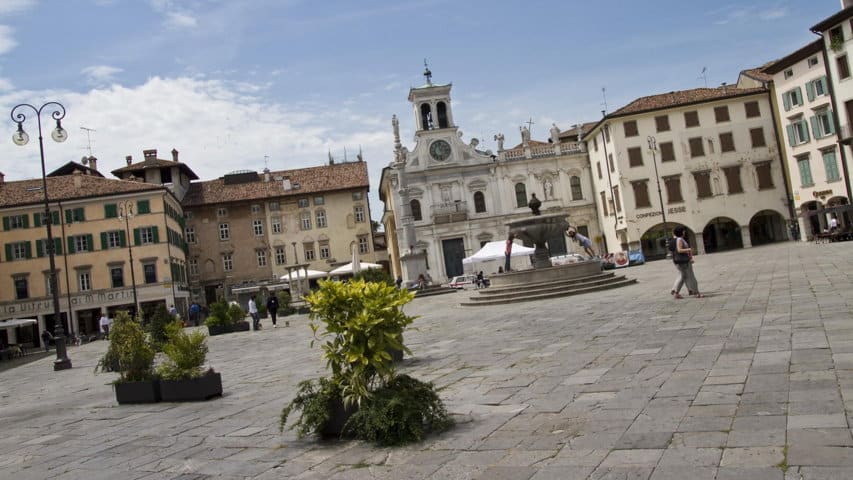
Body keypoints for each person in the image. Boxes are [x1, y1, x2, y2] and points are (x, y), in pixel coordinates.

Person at [670, 226, 703, 299]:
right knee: (691, 277)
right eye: (683, 231)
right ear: (681, 232)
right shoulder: (680, 239)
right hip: (684, 262)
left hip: (680, 261)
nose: (684, 232)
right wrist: (689, 249)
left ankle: (676, 293)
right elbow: (679, 250)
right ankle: (696, 293)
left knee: (683, 277)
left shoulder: (677, 239)